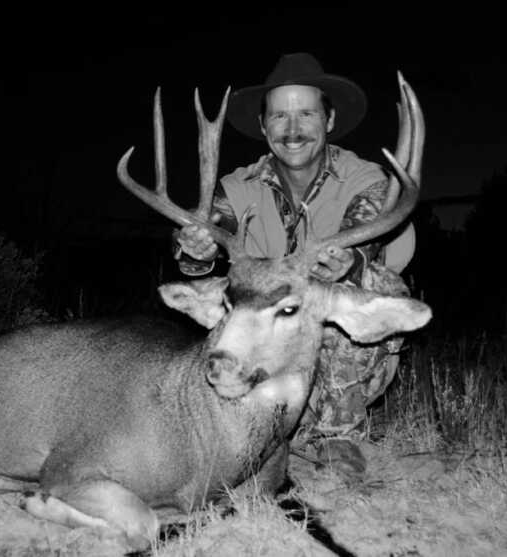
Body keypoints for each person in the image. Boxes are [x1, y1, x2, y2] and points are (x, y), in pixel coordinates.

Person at [173, 52, 416, 475]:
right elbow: (213, 222)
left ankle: (336, 434)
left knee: (361, 286)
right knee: (234, 303)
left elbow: (369, 228)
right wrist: (197, 248)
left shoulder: (369, 180)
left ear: (330, 120)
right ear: (264, 126)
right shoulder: (239, 185)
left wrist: (351, 261)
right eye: (279, 117)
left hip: (329, 340)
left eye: (306, 113)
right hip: (268, 338)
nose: (292, 129)